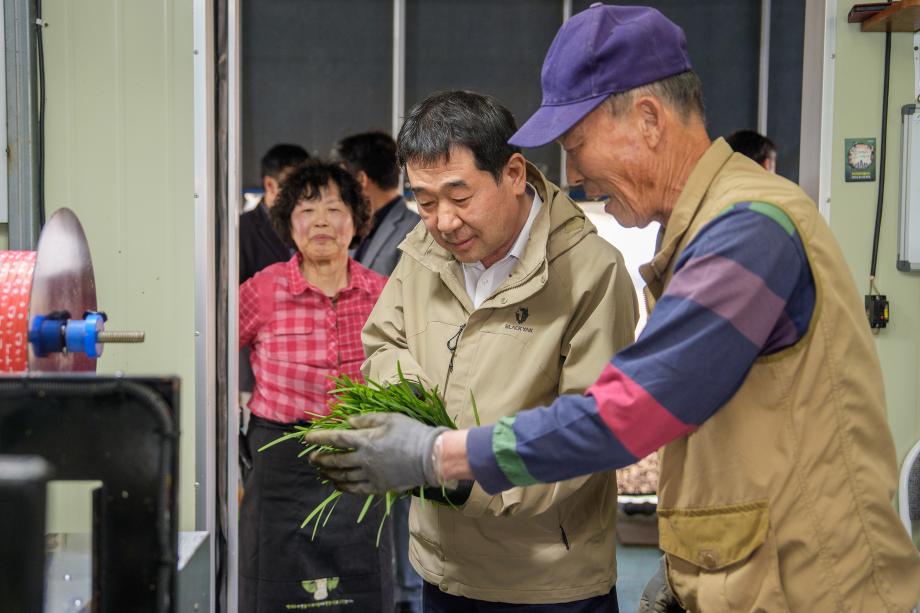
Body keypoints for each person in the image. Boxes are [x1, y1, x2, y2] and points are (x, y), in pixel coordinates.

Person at [306, 5, 920, 613]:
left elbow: (630, 412)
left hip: (813, 587)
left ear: (648, 119)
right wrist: (687, 574)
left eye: (576, 146)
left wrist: (436, 454)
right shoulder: (699, 228)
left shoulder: (747, 230)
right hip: (755, 578)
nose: (573, 177)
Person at [353, 90, 638, 611]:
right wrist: (420, 425)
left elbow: (591, 430)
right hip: (439, 567)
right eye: (425, 199)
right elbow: (383, 343)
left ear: (513, 174)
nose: (442, 221)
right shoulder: (423, 253)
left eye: (459, 198)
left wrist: (459, 472)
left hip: (545, 580)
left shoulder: (591, 272)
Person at [238, 159, 391, 611]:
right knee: (273, 586)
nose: (321, 221)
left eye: (334, 208)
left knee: (359, 586)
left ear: (357, 221)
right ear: (289, 223)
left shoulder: (381, 293)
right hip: (280, 461)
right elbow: (216, 353)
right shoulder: (263, 289)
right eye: (306, 210)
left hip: (358, 458)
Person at [336, 132, 423, 613]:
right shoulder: (368, 232)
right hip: (370, 391)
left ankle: (408, 597)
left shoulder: (411, 233)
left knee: (404, 506)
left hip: (402, 391)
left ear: (361, 179)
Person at [337, 131, 421, 276]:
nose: (338, 189)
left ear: (361, 179)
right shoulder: (354, 226)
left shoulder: (416, 231)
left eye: (342, 180)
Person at [240, 143, 310, 284]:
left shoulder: (312, 225)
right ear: (270, 185)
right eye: (295, 186)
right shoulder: (242, 230)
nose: (305, 194)